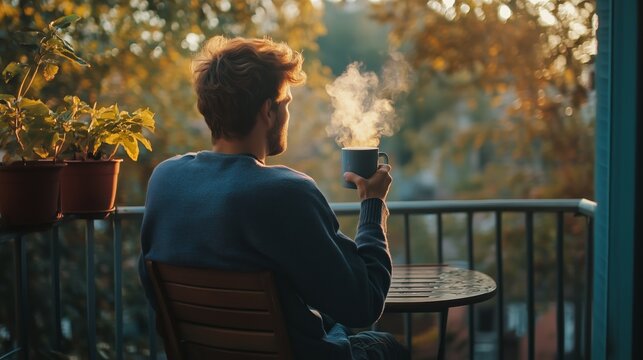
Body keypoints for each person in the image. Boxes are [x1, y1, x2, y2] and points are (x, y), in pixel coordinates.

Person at [138, 36, 409, 360]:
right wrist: (373, 205)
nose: (287, 112)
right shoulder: (285, 192)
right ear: (268, 110)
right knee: (384, 345)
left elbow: (153, 286)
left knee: (332, 322)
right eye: (286, 102)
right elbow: (364, 304)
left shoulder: (165, 179)